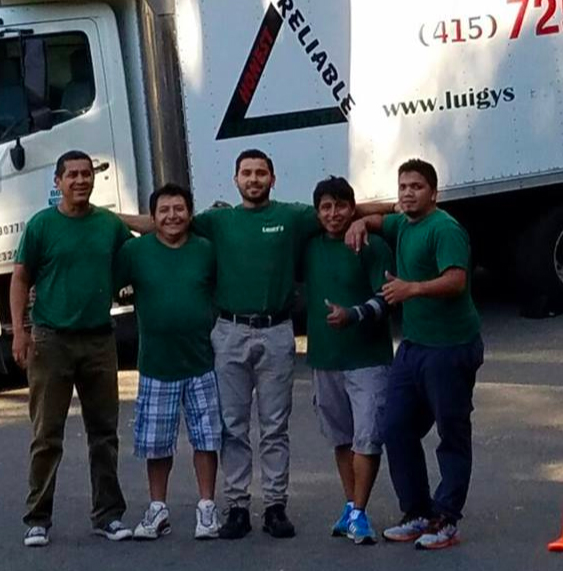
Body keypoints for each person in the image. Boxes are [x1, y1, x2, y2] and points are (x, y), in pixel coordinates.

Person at [120, 149, 391, 540]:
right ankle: (237, 506)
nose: (253, 179)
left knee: (274, 425)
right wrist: (106, 217)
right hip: (229, 331)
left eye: (260, 172)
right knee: (233, 425)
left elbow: (346, 209)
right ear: (235, 180)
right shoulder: (218, 221)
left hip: (277, 331)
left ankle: (276, 505)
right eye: (246, 173)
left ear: (272, 178)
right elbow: (163, 223)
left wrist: (365, 218)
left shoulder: (292, 217)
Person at [346, 158, 484, 551]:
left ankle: (446, 519)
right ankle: (417, 511)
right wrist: (360, 221)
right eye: (403, 186)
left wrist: (412, 289)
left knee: (451, 432)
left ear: (434, 193)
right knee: (396, 428)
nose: (408, 193)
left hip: (451, 348)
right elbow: (376, 216)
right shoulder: (402, 223)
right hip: (414, 347)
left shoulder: (445, 229)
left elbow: (456, 281)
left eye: (416, 187)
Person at [10, 150, 133, 548]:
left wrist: (184, 218)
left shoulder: (107, 225)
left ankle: (108, 515)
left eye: (86, 174)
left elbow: (148, 230)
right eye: (72, 175)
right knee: (47, 434)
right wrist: (20, 332)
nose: (81, 180)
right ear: (58, 182)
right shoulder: (42, 226)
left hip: (99, 339)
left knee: (104, 434)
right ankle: (37, 518)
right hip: (51, 340)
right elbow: (20, 278)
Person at [116, 183, 222, 541]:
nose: (172, 216)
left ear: (190, 214)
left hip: (201, 362)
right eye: (164, 210)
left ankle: (207, 508)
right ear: (153, 217)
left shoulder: (206, 250)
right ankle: (157, 509)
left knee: (206, 440)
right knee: (156, 443)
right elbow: (106, 282)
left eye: (179, 209)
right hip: (156, 365)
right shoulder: (135, 251)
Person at [305, 176, 393, 545]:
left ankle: (359, 511)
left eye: (342, 206)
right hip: (325, 358)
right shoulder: (308, 246)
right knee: (341, 438)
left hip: (367, 358)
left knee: (367, 437)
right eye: (326, 207)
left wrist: (353, 315)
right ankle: (351, 506)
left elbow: (387, 296)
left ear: (353, 207)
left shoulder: (371, 244)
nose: (334, 214)